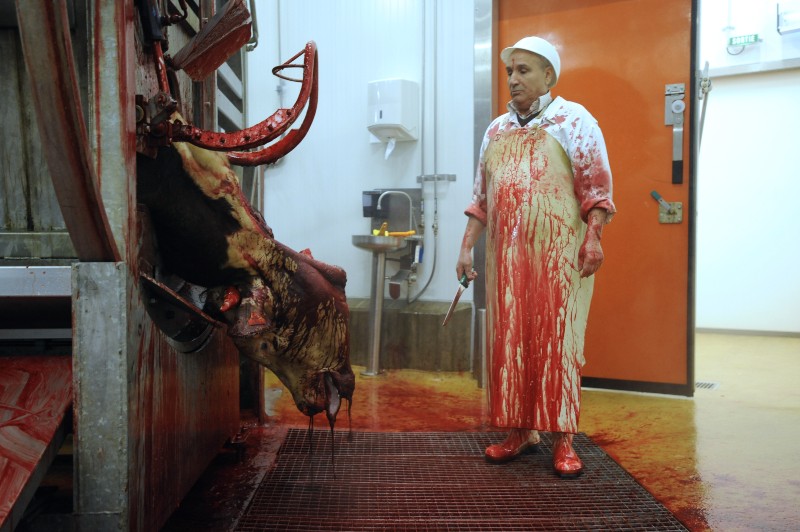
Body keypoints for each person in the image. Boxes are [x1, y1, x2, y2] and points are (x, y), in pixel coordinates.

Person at [456, 36, 616, 477]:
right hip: (506, 259)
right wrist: (468, 246)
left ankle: (563, 439)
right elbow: (480, 199)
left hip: (560, 255)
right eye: (510, 71)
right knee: (510, 340)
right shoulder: (496, 130)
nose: (514, 79)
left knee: (558, 341)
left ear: (549, 75)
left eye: (524, 70)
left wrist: (594, 238)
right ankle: (520, 432)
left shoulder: (573, 120)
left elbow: (596, 189)